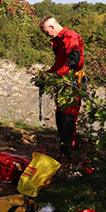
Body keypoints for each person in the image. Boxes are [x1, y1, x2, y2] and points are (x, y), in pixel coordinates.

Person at [39, 16, 85, 159]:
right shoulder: (59, 39)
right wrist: (46, 76)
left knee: (68, 118)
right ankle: (67, 151)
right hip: (64, 82)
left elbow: (73, 61)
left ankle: (70, 154)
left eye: (47, 33)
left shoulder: (70, 36)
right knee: (61, 116)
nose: (47, 36)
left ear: (52, 27)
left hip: (72, 82)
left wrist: (55, 75)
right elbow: (59, 63)